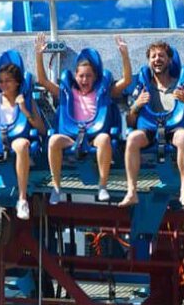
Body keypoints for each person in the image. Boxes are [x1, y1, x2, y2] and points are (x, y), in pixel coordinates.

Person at [34, 33, 133, 204]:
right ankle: (56, 187)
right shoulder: (66, 92)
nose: (84, 79)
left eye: (88, 76)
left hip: (94, 135)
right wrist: (39, 55)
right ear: (75, 76)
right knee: (53, 141)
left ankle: (102, 186)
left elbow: (126, 80)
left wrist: (124, 55)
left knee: (104, 139)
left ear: (95, 77)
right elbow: (43, 81)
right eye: (81, 76)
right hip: (71, 136)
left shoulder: (103, 91)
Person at [119, 41, 184, 208]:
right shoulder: (142, 88)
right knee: (132, 138)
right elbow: (130, 122)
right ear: (149, 62)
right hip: (149, 130)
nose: (157, 59)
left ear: (169, 60)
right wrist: (136, 105)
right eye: (153, 56)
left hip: (174, 130)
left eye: (161, 55)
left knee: (183, 137)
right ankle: (131, 191)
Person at [0, 61, 47, 223]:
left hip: (16, 138)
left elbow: (41, 129)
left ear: (17, 82)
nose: (3, 85)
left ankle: (22, 199)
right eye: (0, 81)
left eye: (7, 81)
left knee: (22, 145)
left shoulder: (25, 100)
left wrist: (25, 110)